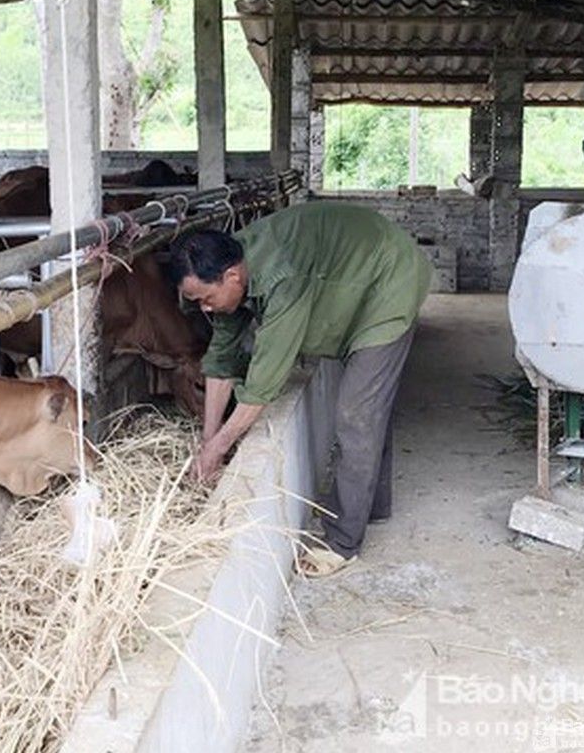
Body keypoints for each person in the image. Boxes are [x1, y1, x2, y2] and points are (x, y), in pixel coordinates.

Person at [170, 202, 431, 577]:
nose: (205, 310)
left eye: (205, 299)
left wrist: (221, 446)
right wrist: (208, 441)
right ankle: (371, 505)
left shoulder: (280, 277)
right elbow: (222, 360)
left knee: (356, 413)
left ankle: (342, 542)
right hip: (355, 279)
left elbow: (263, 384)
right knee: (367, 408)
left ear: (231, 277)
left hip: (389, 280)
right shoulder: (235, 270)